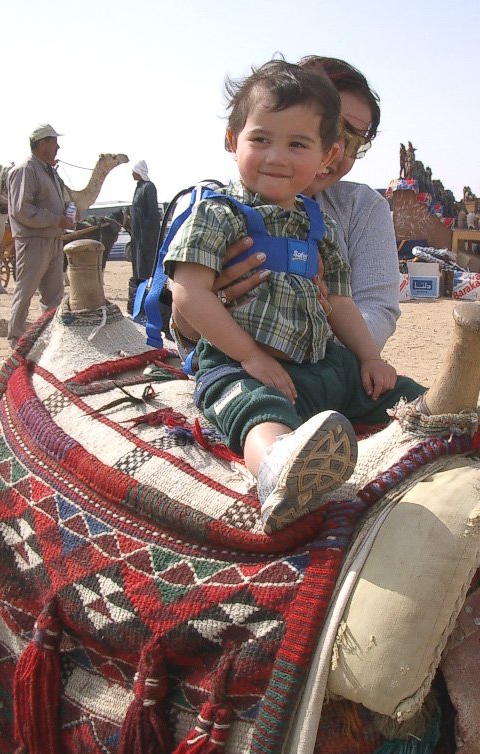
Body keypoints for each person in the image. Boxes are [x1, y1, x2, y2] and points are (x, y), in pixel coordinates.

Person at [165, 58, 426, 533]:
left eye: (297, 144)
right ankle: (280, 468)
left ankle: (439, 421)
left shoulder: (319, 225)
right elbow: (186, 293)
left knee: (395, 391)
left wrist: (369, 357)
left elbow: (342, 301)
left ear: (326, 153)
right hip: (243, 364)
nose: (277, 157)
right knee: (253, 408)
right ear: (232, 140)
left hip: (319, 360)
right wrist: (249, 356)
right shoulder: (218, 214)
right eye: (261, 139)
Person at [171, 55, 401, 355]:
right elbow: (184, 312)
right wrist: (215, 323)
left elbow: (375, 307)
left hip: (325, 361)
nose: (338, 147)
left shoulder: (358, 209)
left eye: (354, 141)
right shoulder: (217, 211)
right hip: (237, 363)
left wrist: (313, 348)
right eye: (331, 127)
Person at [7, 123, 75, 347]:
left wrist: (65, 215)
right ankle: (16, 340)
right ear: (42, 143)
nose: (58, 147)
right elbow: (21, 210)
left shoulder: (48, 171)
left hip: (53, 240)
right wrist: (55, 219)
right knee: (25, 292)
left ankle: (51, 339)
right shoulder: (25, 170)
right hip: (33, 241)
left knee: (54, 296)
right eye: (54, 142)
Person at [128, 159, 161, 313]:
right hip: (137, 238)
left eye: (133, 171)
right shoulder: (138, 187)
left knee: (147, 269)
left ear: (139, 172)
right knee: (138, 270)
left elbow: (153, 214)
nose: (131, 173)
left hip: (147, 239)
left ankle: (148, 303)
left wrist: (144, 233)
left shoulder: (149, 187)